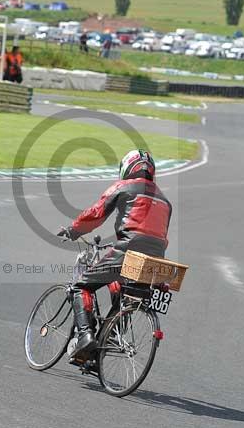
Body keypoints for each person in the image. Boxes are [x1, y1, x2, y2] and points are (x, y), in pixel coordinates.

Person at [57, 150, 172, 358]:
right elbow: (161, 235)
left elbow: (95, 214)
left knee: (81, 285)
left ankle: (85, 336)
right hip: (155, 260)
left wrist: (74, 230)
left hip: (127, 250)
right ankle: (107, 341)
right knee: (127, 295)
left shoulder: (124, 187)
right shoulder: (165, 201)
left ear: (128, 167)